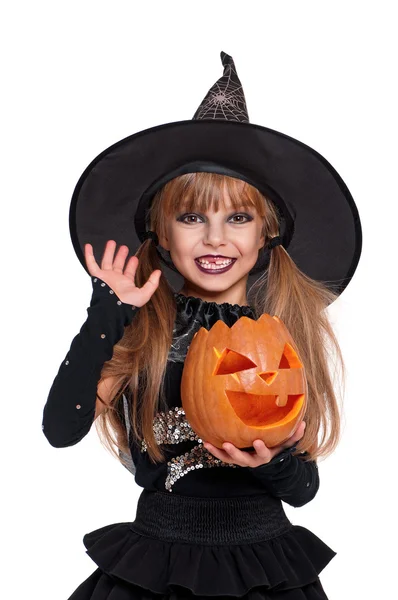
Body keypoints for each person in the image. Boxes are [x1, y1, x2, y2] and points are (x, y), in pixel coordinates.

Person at [42, 51, 362, 599]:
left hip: (263, 566)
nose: (215, 238)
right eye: (193, 217)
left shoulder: (277, 341)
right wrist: (108, 312)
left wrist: (275, 462)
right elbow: (61, 428)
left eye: (237, 218)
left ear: (266, 234)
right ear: (162, 234)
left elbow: (304, 489)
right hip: (157, 564)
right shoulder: (143, 330)